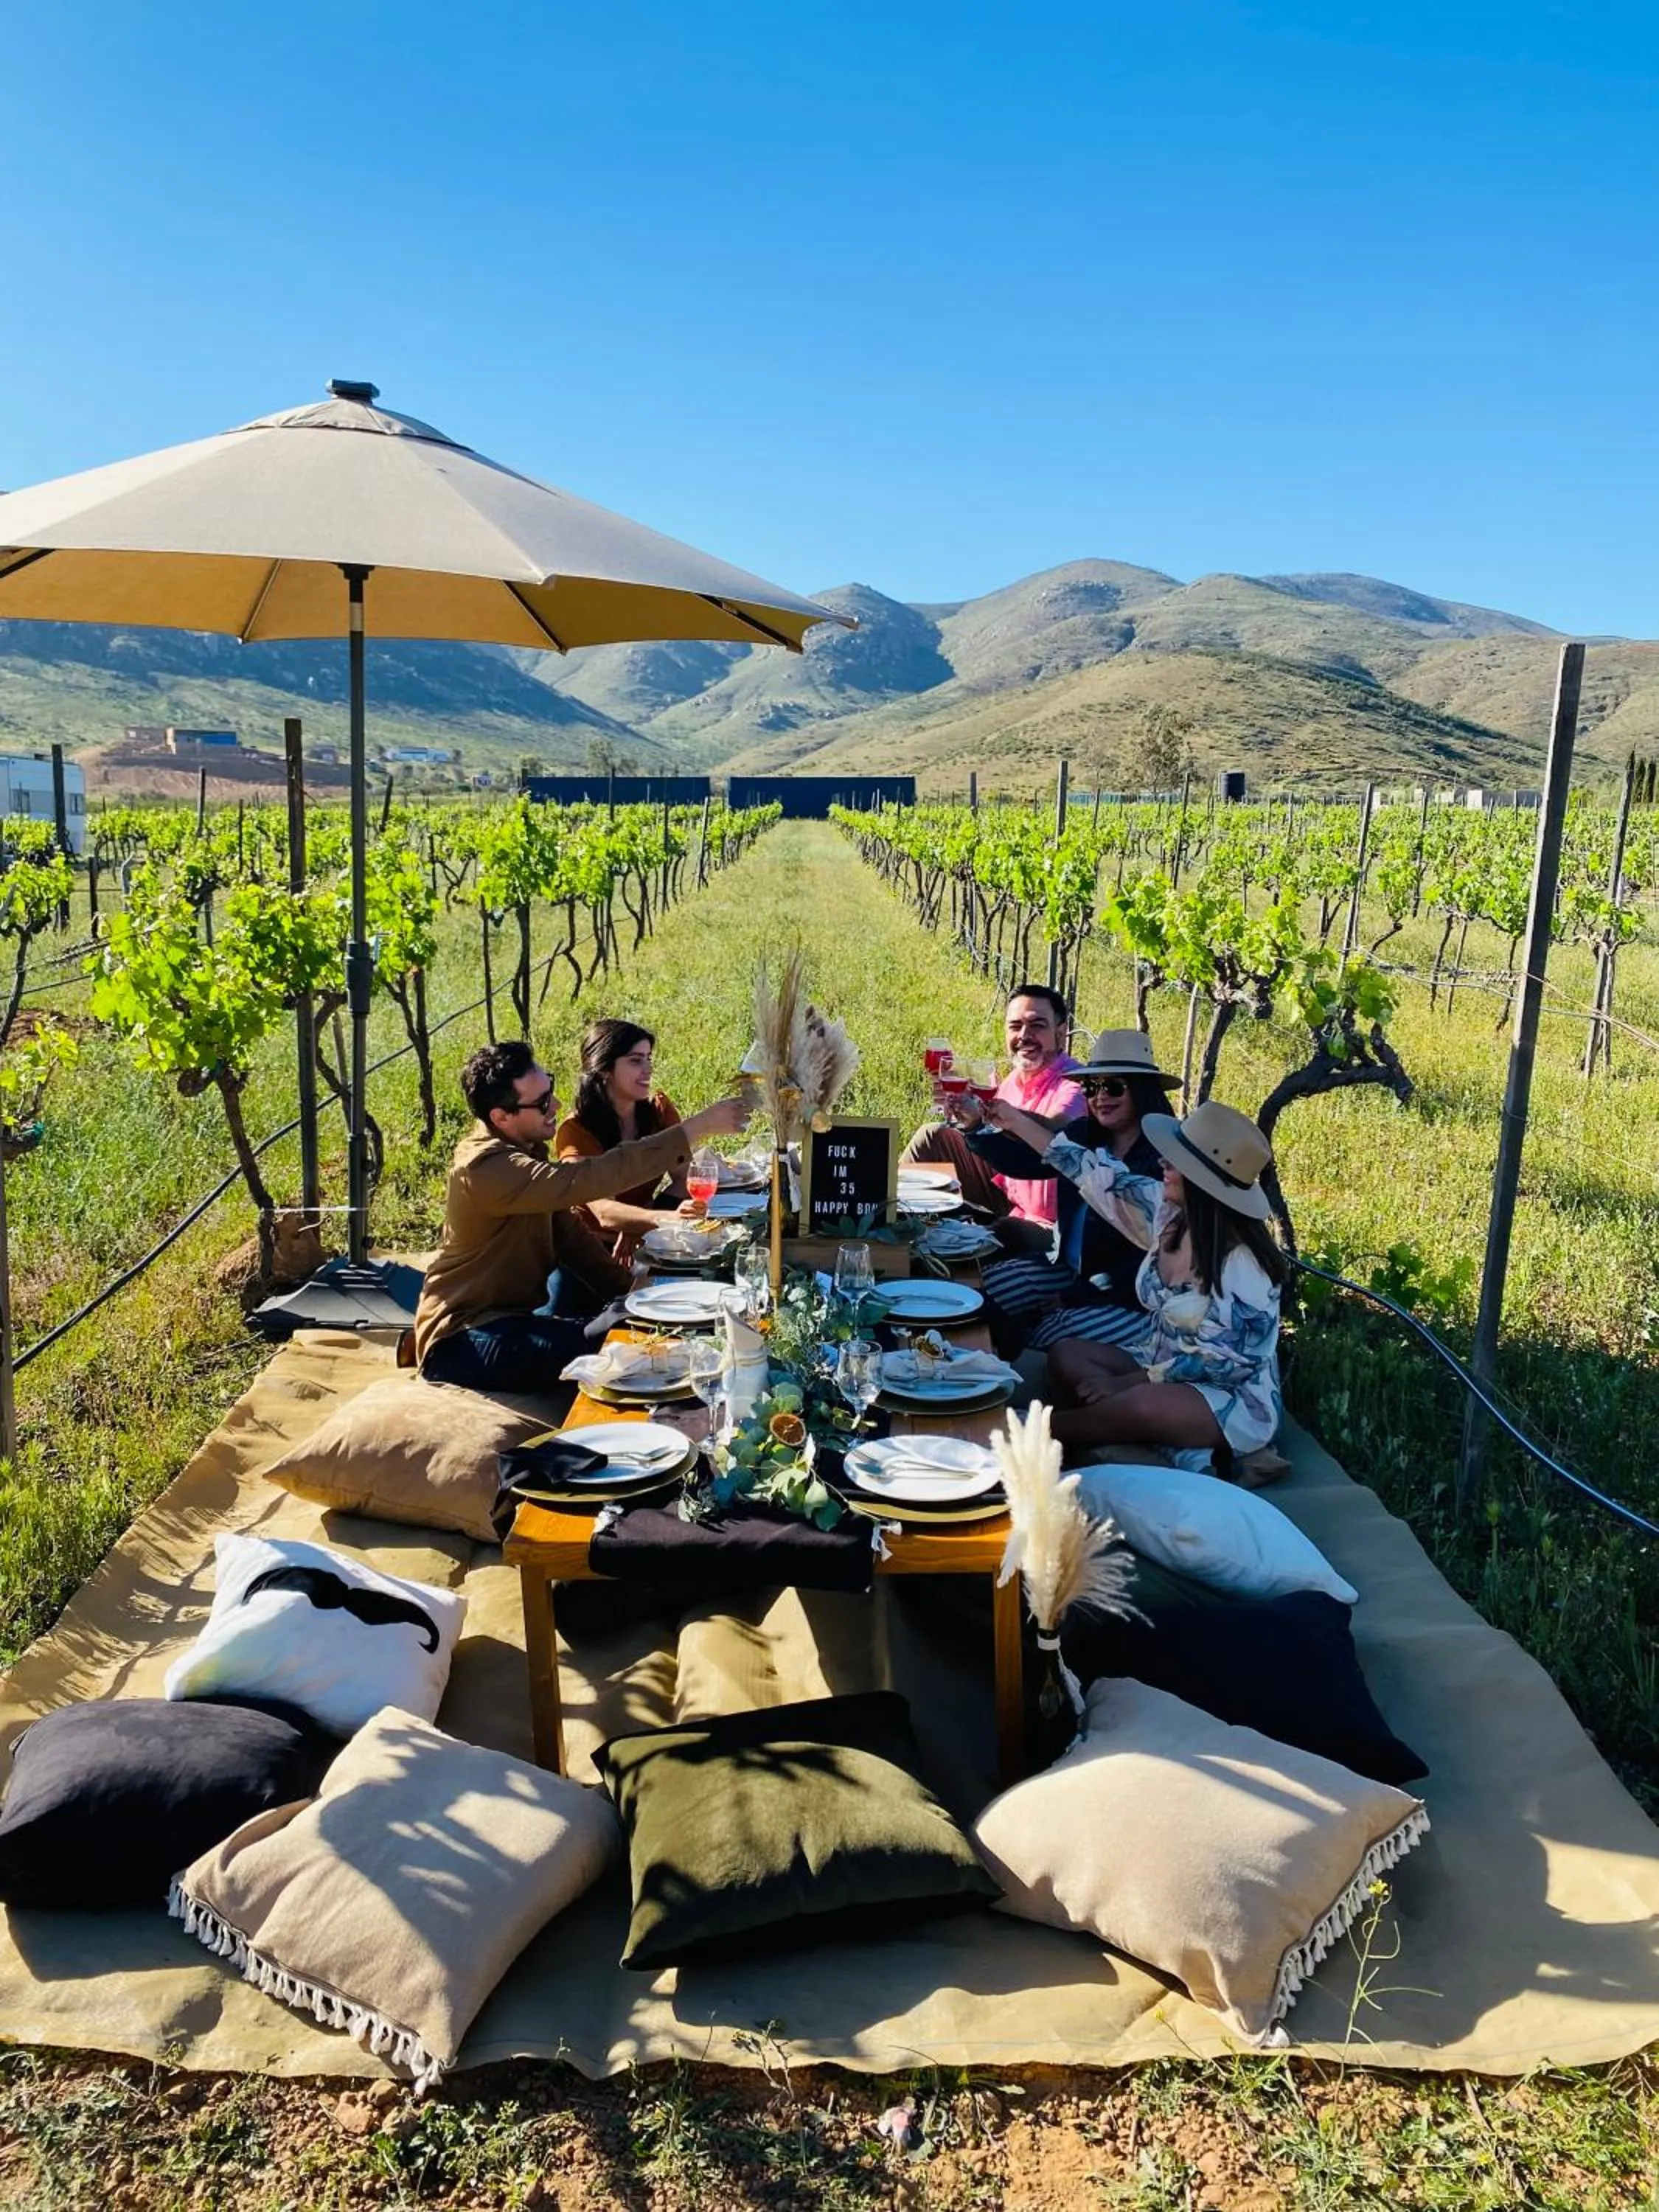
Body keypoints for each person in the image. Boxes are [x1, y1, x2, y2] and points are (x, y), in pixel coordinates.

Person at [412, 1038, 749, 1394]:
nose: (556, 1105)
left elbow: (572, 1240)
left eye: (551, 1090)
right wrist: (693, 1130)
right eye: (542, 1102)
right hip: (460, 1340)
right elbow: (589, 1178)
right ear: (501, 1117)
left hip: (509, 1321)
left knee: (631, 1321)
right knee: (604, 1350)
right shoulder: (485, 1169)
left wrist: (634, 1296)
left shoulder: (525, 1154)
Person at [982, 1094, 1286, 1472]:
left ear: (1204, 1182)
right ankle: (1182, 1453)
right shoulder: (1166, 1211)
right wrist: (1014, 1122)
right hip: (1156, 1360)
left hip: (1225, 1393)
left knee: (1142, 1405)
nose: (1163, 1162)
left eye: (1176, 1160)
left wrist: (1132, 1383)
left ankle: (1029, 1431)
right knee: (1067, 1354)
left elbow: (1225, 1364)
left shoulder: (1243, 1266)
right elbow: (1091, 1173)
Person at [967, 1031, 1178, 1354]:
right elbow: (1027, 1161)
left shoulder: (1163, 1162)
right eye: (1092, 1087)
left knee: (1048, 1334)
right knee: (980, 1290)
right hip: (1068, 1268)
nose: (1100, 1097)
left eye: (1114, 1086)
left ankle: (1012, 1379)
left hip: (1132, 1295)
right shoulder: (1085, 1133)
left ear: (1142, 1090)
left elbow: (1149, 1261)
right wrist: (973, 1128)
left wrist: (1077, 1297)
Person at [900, 983, 1083, 1252]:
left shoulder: (1074, 1084)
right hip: (1011, 1195)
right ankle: (894, 1221)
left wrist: (1006, 1116)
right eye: (1015, 1026)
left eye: (1037, 1026)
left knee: (999, 1233)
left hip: (1051, 1224)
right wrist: (966, 1111)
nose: (1024, 1035)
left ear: (1061, 1032)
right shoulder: (1014, 1079)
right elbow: (991, 1133)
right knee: (932, 1136)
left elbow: (1059, 1127)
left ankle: (942, 1250)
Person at [554, 1018, 695, 1261]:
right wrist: (650, 1220)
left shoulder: (658, 1111)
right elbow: (604, 1212)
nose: (648, 1069)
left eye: (648, 1058)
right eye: (635, 1060)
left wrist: (637, 1222)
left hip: (650, 1238)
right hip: (589, 1249)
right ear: (605, 1069)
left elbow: (686, 1179)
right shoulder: (575, 1131)